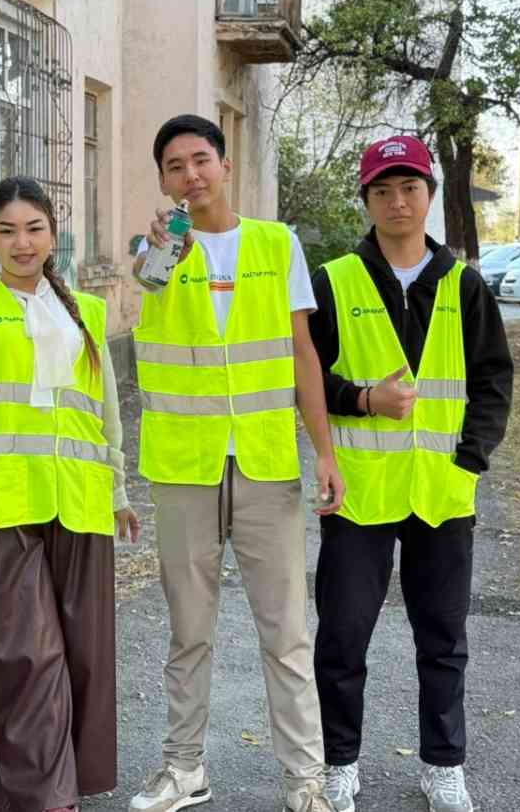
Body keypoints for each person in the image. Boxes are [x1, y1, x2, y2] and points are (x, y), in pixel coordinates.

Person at [128, 114, 344, 812]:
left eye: (200, 160)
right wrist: (161, 253)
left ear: (224, 165)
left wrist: (326, 453)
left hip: (265, 466)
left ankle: (305, 780)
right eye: (174, 167)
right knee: (189, 630)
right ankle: (183, 768)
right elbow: (146, 282)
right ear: (163, 181)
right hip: (185, 468)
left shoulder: (277, 245)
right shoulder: (156, 250)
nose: (190, 175)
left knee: (285, 632)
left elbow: (303, 353)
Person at [308, 136, 513, 812]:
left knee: (444, 639)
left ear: (429, 194)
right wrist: (364, 399)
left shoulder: (464, 284)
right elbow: (304, 381)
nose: (398, 202)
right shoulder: (334, 280)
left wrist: (471, 457)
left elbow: (491, 380)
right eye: (383, 191)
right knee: (341, 637)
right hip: (360, 492)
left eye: (410, 188)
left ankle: (442, 764)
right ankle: (340, 762)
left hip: (441, 494)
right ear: (366, 200)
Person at [0, 176, 140, 812]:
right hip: (9, 499)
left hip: (82, 496)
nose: (22, 243)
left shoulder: (89, 314)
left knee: (84, 652)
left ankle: (73, 778)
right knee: (25, 652)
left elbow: (106, 411)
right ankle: (42, 797)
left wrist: (120, 489)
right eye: (6, 231)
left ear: (53, 233)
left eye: (34, 228)